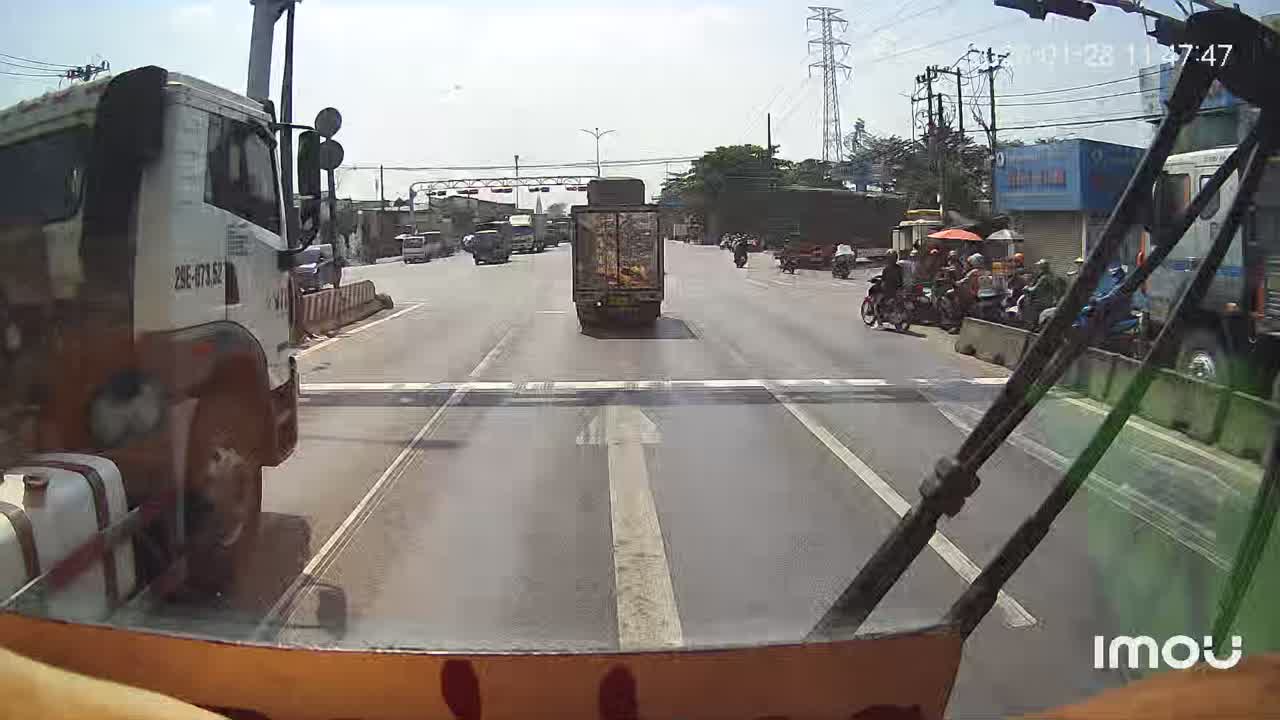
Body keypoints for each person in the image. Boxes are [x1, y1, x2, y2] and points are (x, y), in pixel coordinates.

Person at [876, 250, 904, 324]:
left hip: (889, 291)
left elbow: (883, 282)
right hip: (899, 289)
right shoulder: (899, 268)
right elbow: (901, 279)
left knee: (878, 304)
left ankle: (880, 323)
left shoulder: (886, 269)